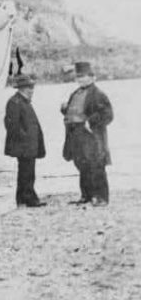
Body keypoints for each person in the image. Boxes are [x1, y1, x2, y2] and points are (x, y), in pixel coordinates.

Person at [61, 61, 114, 206]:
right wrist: (65, 109)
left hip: (91, 135)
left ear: (92, 77)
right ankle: (87, 196)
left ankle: (101, 198)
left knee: (96, 165)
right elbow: (73, 111)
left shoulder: (98, 94)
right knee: (81, 164)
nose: (81, 79)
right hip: (75, 134)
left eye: (84, 76)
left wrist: (90, 122)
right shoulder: (75, 93)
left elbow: (108, 114)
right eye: (79, 76)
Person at [4, 74, 47, 208]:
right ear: (21, 89)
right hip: (24, 146)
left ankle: (24, 199)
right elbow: (12, 125)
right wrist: (24, 139)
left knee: (28, 172)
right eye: (29, 88)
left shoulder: (23, 101)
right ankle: (27, 199)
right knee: (26, 172)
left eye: (31, 88)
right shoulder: (15, 102)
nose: (31, 90)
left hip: (29, 145)